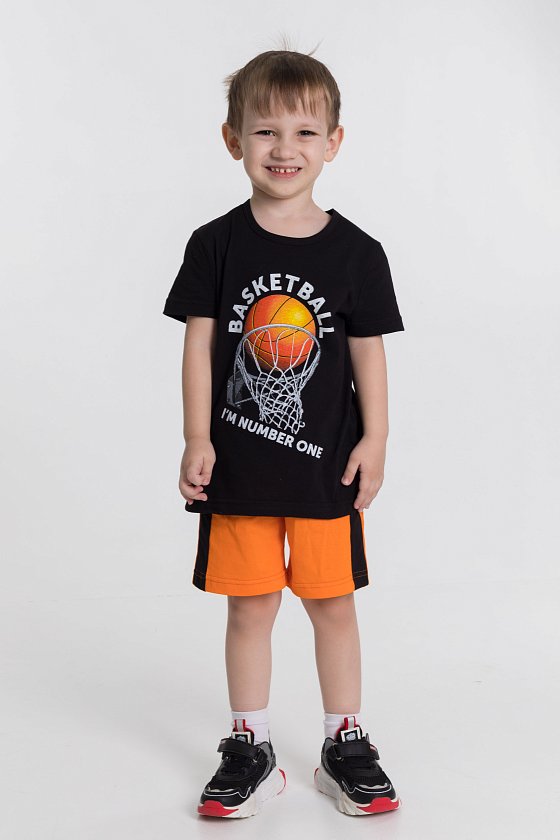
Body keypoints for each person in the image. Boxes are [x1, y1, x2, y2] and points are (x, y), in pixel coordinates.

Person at [163, 47, 405, 819]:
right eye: (265, 130)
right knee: (249, 607)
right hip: (238, 468)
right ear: (232, 139)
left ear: (334, 142)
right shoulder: (215, 243)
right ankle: (251, 746)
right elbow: (199, 345)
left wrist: (376, 439)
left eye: (304, 132)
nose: (284, 148)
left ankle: (344, 742)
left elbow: (367, 352)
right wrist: (196, 436)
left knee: (332, 604)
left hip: (325, 469)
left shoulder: (357, 253)